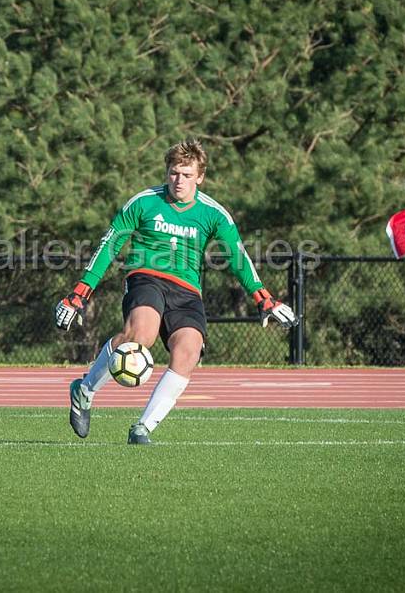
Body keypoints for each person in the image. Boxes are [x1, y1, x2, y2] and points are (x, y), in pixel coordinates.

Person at [55, 139, 297, 444]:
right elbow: (109, 245)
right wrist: (80, 292)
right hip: (147, 277)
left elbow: (238, 257)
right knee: (140, 336)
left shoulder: (214, 214)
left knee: (189, 351)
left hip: (186, 292)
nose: (178, 180)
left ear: (200, 176)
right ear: (166, 172)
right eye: (173, 173)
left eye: (186, 174)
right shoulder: (144, 202)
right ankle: (85, 390)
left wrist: (263, 298)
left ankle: (142, 429)